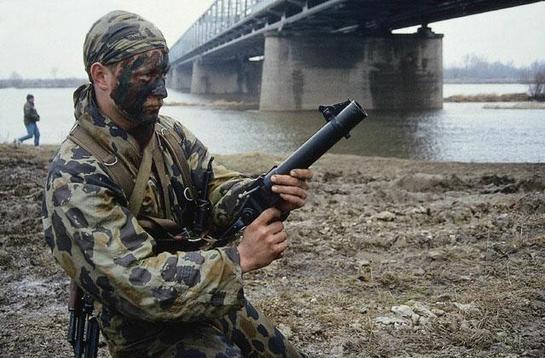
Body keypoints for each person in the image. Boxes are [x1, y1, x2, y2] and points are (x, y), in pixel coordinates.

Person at [42, 10, 313, 357]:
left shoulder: (169, 134)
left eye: (163, 74)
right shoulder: (75, 175)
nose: (162, 90)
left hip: (202, 293)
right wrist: (239, 259)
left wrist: (267, 194)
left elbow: (215, 190)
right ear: (102, 76)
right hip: (141, 325)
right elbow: (134, 283)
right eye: (146, 77)